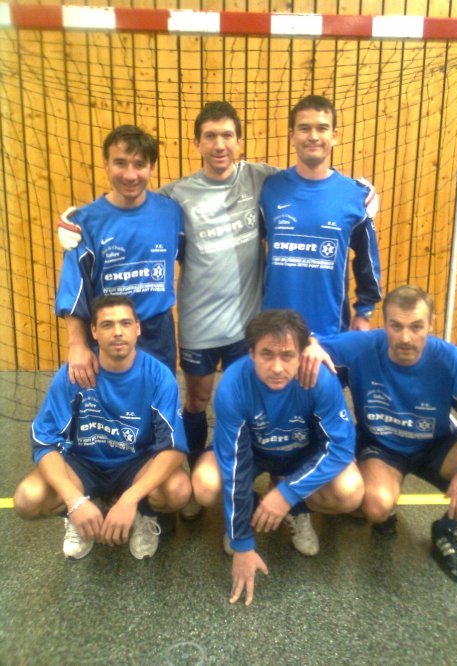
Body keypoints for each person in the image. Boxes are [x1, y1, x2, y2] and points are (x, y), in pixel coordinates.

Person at [58, 101, 377, 504]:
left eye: (227, 135)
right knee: (195, 401)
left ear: (240, 142)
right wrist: (77, 221)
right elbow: (134, 207)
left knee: (268, 401)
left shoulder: (264, 180)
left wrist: (361, 195)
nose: (220, 144)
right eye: (210, 136)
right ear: (197, 143)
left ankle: (279, 486)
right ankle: (191, 474)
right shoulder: (175, 198)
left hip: (249, 325)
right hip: (198, 325)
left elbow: (309, 182)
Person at [324, 285, 457, 585]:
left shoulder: (450, 360)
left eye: (416, 327)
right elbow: (306, 344)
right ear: (385, 324)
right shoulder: (362, 347)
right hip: (383, 448)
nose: (405, 337)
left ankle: (446, 530)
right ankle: (384, 508)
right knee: (376, 506)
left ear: (431, 324)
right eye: (396, 326)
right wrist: (310, 346)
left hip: (438, 445)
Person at [192, 309, 364, 605]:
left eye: (287, 356)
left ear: (302, 354)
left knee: (351, 491)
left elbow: (340, 447)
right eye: (266, 354)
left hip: (301, 457)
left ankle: (295, 508)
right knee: (204, 484)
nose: (276, 367)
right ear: (251, 353)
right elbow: (234, 465)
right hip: (253, 455)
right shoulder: (233, 385)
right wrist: (242, 542)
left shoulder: (320, 380)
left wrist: (287, 494)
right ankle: (248, 513)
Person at [14, 295, 191, 561]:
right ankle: (79, 514)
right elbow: (45, 442)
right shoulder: (74, 374)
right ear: (94, 331)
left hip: (135, 464)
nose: (118, 331)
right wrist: (74, 500)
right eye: (108, 325)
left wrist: (131, 499)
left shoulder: (158, 376)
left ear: (138, 328)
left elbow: (174, 448)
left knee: (178, 490)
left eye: (125, 323)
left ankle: (143, 515)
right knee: (28, 498)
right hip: (83, 465)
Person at [56, 125, 184, 384]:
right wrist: (77, 345)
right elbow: (74, 290)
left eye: (139, 164)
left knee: (159, 402)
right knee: (112, 405)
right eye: (120, 163)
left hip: (158, 333)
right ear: (106, 163)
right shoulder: (84, 223)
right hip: (108, 333)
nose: (130, 175)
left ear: (152, 167)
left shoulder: (172, 213)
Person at [260, 94, 382, 342]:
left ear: (334, 136)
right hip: (272, 330)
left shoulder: (355, 196)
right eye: (304, 128)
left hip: (330, 332)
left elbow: (367, 260)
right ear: (292, 135)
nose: (313, 136)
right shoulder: (269, 189)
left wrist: (364, 311)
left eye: (322, 128)